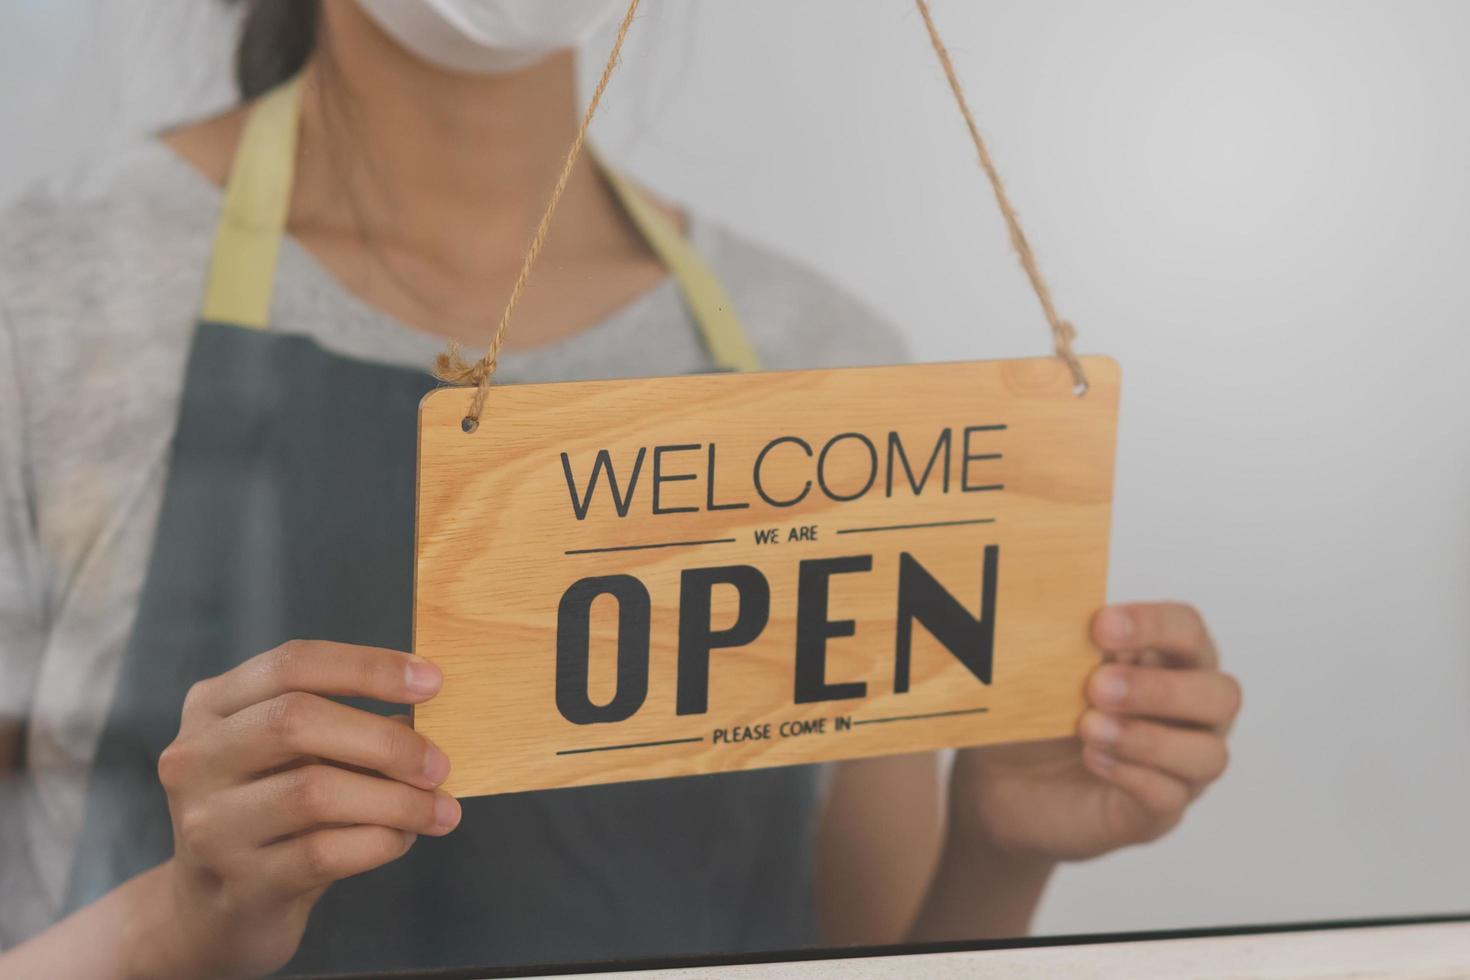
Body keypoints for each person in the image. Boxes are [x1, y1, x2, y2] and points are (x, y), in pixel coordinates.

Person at [0, 1, 1243, 976]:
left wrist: (998, 847)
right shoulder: (44, 307)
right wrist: (177, 924)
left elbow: (877, 961)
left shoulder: (815, 353)